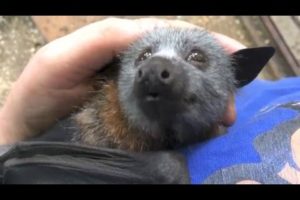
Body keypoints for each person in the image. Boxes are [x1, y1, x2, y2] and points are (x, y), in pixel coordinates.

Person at [1, 17, 300, 184]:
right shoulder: (99, 130)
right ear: (115, 80)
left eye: (196, 58)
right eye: (143, 57)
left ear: (237, 78)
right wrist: (14, 126)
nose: (156, 68)